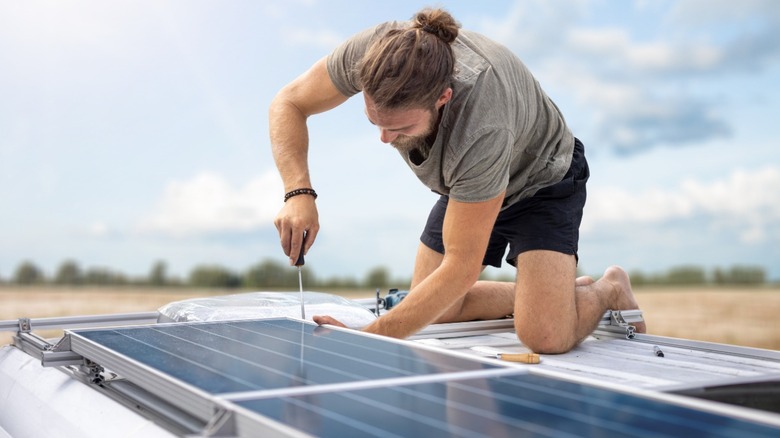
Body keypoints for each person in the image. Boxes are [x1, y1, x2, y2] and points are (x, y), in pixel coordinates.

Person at [269, 7, 645, 354]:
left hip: (541, 180)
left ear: (443, 97)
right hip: (466, 185)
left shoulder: (482, 123)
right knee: (441, 309)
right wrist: (298, 192)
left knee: (545, 336)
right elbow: (288, 103)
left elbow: (461, 268)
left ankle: (608, 288)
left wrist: (368, 340)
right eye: (374, 121)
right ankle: (546, 294)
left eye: (400, 127)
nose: (384, 138)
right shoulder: (374, 55)